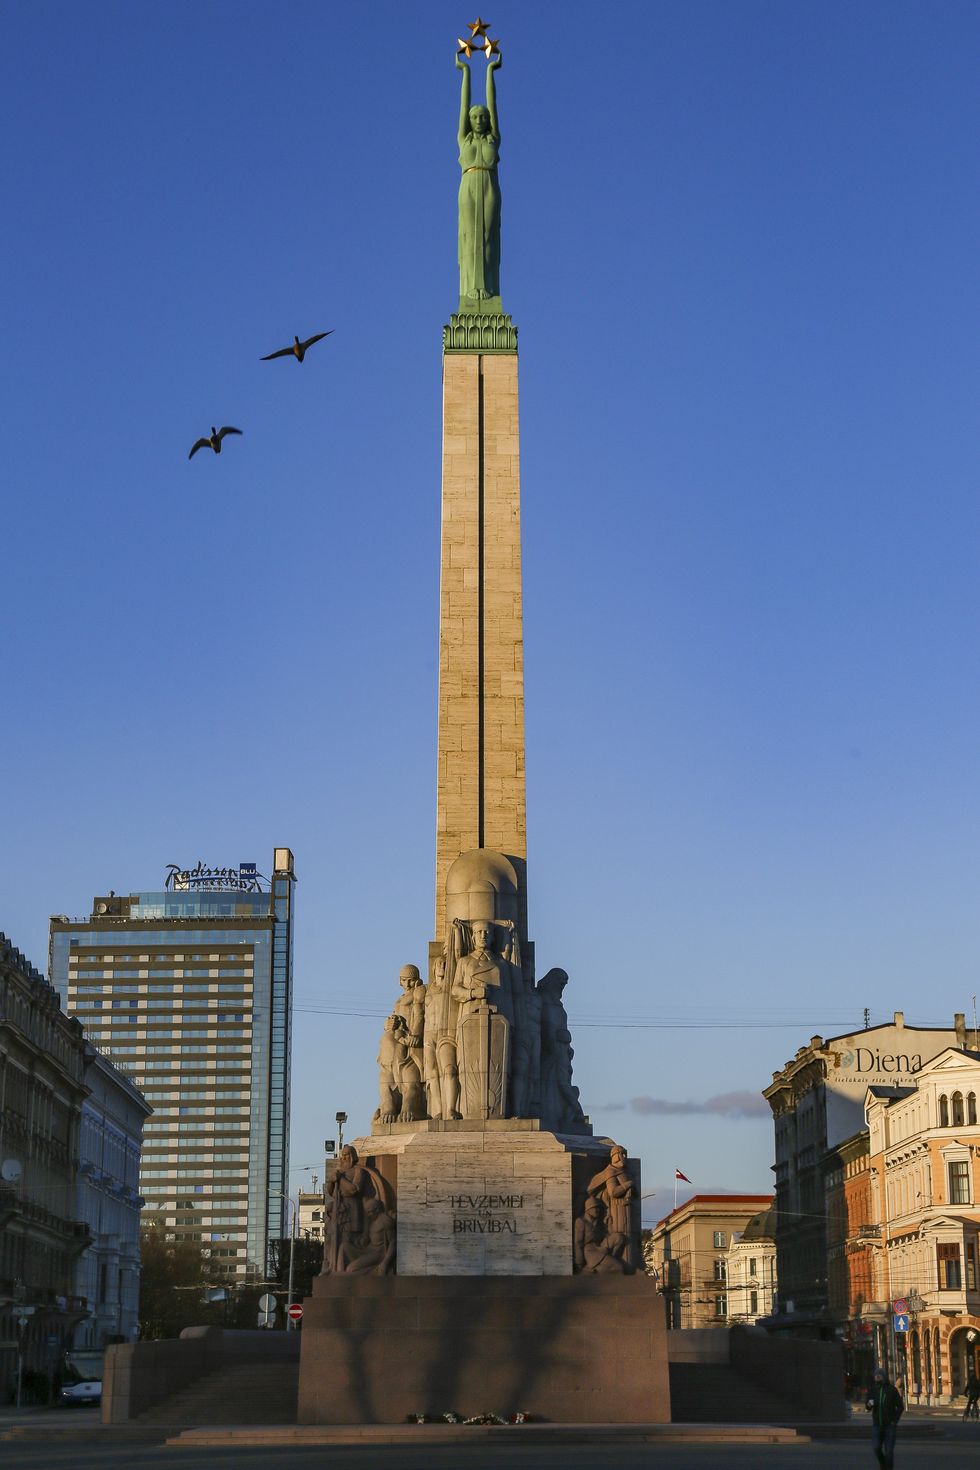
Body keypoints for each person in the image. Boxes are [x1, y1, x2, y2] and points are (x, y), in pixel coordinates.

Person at [866, 1366, 903, 1470]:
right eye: (876, 1375)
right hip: (877, 1425)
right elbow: (867, 1407)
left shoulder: (891, 1390)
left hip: (889, 1426)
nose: (877, 1377)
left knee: (889, 1451)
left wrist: (894, 1421)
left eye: (879, 1375)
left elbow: (900, 1407)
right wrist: (869, 1404)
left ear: (884, 1377)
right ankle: (883, 1465)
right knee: (876, 1448)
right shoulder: (872, 1390)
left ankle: (888, 1468)